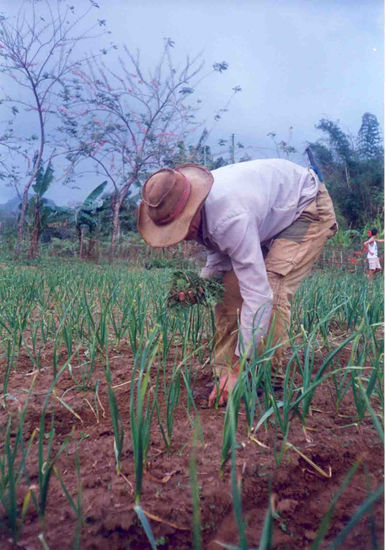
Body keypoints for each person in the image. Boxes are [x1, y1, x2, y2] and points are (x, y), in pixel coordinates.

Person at [137, 159, 337, 406]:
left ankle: (266, 379)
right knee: (223, 289)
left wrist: (238, 365)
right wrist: (201, 287)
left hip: (305, 208)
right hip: (269, 215)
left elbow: (260, 296)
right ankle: (225, 376)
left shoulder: (230, 217)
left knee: (273, 286)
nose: (184, 236)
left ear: (194, 208)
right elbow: (218, 262)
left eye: (183, 227)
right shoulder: (206, 214)